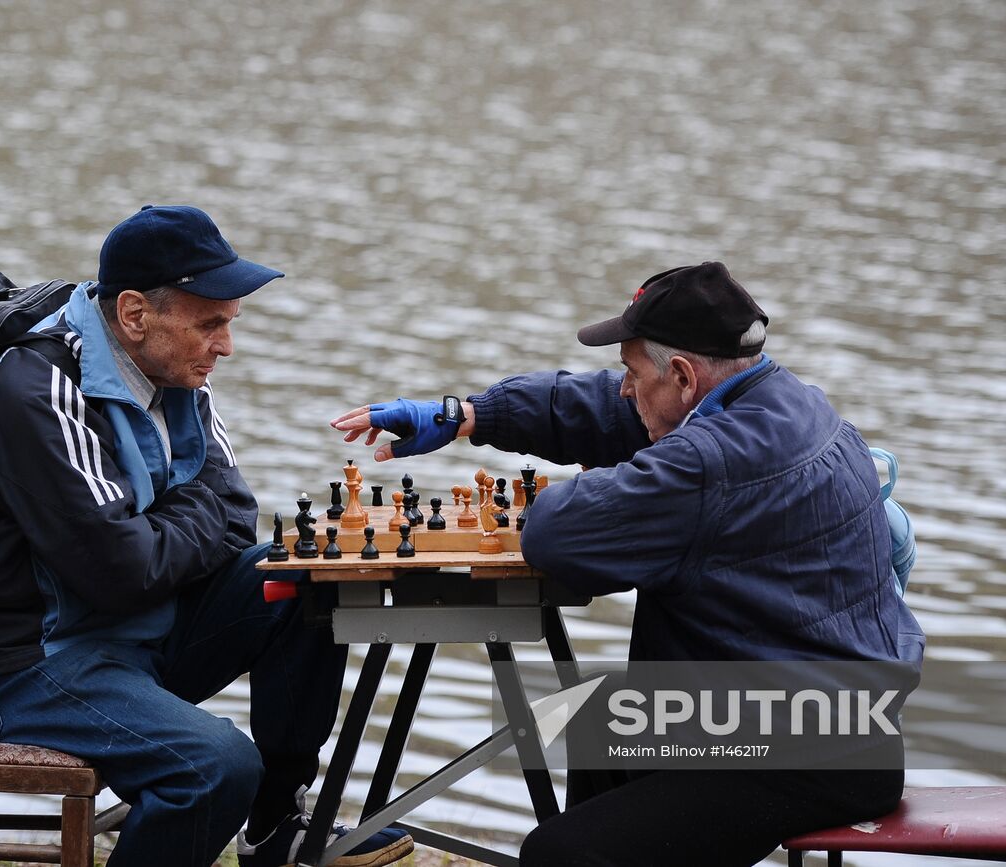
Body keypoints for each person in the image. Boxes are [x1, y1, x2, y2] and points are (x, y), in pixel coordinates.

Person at [331, 261, 925, 867]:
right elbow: (602, 405)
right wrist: (470, 414)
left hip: (813, 751)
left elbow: (559, 535)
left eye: (632, 371)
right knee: (599, 723)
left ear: (684, 375)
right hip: (827, 715)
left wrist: (604, 485)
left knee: (561, 854)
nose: (623, 387)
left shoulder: (709, 463)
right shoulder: (783, 401)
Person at [0, 205, 413, 867]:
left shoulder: (175, 371)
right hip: (33, 665)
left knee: (306, 575)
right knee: (216, 766)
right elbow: (117, 570)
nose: (225, 345)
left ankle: (276, 828)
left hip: (144, 631)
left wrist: (152, 534)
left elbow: (235, 514)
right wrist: (172, 528)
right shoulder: (36, 388)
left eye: (229, 323)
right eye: (210, 324)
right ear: (135, 314)